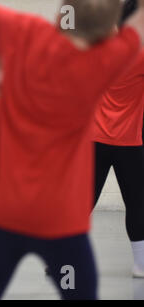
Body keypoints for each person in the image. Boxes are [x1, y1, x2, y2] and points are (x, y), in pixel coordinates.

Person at [0, 0, 144, 299]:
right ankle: (132, 264)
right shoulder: (113, 59)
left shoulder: (30, 36)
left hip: (7, 212)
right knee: (135, 203)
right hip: (63, 221)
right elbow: (135, 27)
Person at [92, 0, 144, 278]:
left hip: (95, 141)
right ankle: (140, 264)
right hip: (128, 143)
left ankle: (58, 258)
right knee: (137, 202)